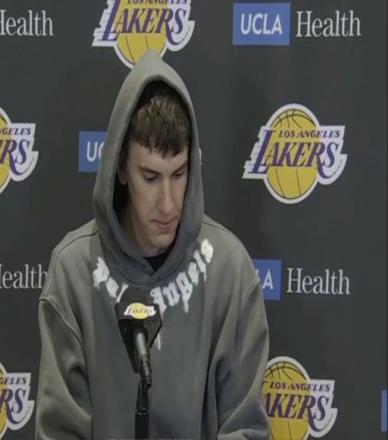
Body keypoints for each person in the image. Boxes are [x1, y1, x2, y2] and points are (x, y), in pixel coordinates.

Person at [36, 51, 269, 439]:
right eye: (150, 177)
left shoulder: (230, 271)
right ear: (121, 167)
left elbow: (245, 428)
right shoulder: (73, 271)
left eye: (179, 174)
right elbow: (59, 431)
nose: (168, 204)